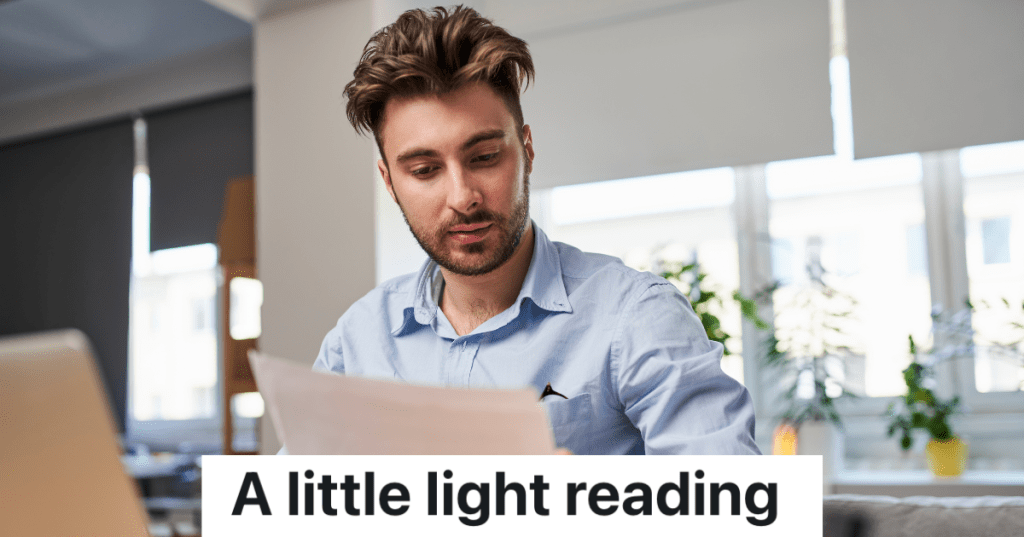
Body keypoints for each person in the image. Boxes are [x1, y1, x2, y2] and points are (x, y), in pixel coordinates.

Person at [312, 5, 759, 455]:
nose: (463, 197)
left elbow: (731, 491)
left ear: (526, 149)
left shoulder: (635, 317)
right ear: (390, 182)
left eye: (484, 158)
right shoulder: (358, 340)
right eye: (425, 170)